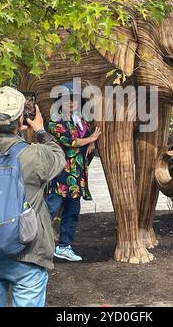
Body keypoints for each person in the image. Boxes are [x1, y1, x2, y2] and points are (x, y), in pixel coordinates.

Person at [0, 86, 66, 307]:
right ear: (21, 120)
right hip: (28, 252)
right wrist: (40, 130)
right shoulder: (34, 155)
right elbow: (59, 157)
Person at [46, 82, 101, 262]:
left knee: (72, 212)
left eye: (74, 99)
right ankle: (34, 243)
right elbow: (71, 141)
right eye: (67, 99)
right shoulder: (55, 120)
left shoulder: (80, 120)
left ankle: (64, 246)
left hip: (76, 175)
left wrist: (91, 142)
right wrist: (90, 139)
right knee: (50, 209)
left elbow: (85, 138)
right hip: (60, 174)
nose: (71, 103)